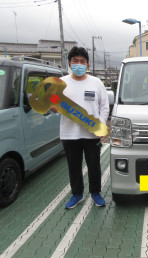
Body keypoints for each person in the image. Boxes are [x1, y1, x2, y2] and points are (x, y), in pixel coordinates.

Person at [53, 46, 109, 209]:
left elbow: (104, 107)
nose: (79, 64)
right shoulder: (61, 83)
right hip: (69, 134)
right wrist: (53, 108)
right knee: (74, 167)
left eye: (82, 61)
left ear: (87, 64)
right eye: (75, 61)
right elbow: (54, 103)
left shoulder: (96, 82)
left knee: (94, 165)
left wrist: (101, 124)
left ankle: (95, 193)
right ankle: (77, 194)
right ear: (69, 63)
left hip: (91, 134)